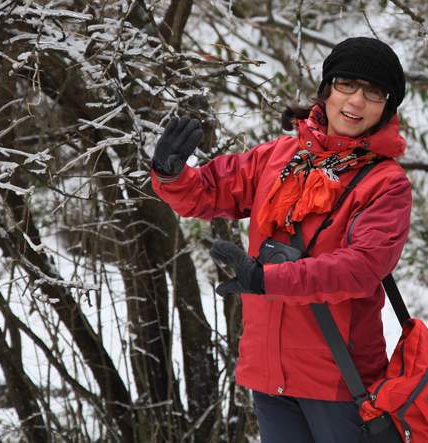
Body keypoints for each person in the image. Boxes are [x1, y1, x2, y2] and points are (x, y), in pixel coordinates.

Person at [151, 37, 411, 443]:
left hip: (339, 381)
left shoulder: (385, 183)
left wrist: (268, 280)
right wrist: (170, 173)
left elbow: (360, 268)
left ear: (387, 107)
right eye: (346, 84)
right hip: (270, 374)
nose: (356, 102)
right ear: (327, 89)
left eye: (373, 92)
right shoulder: (278, 156)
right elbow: (207, 191)